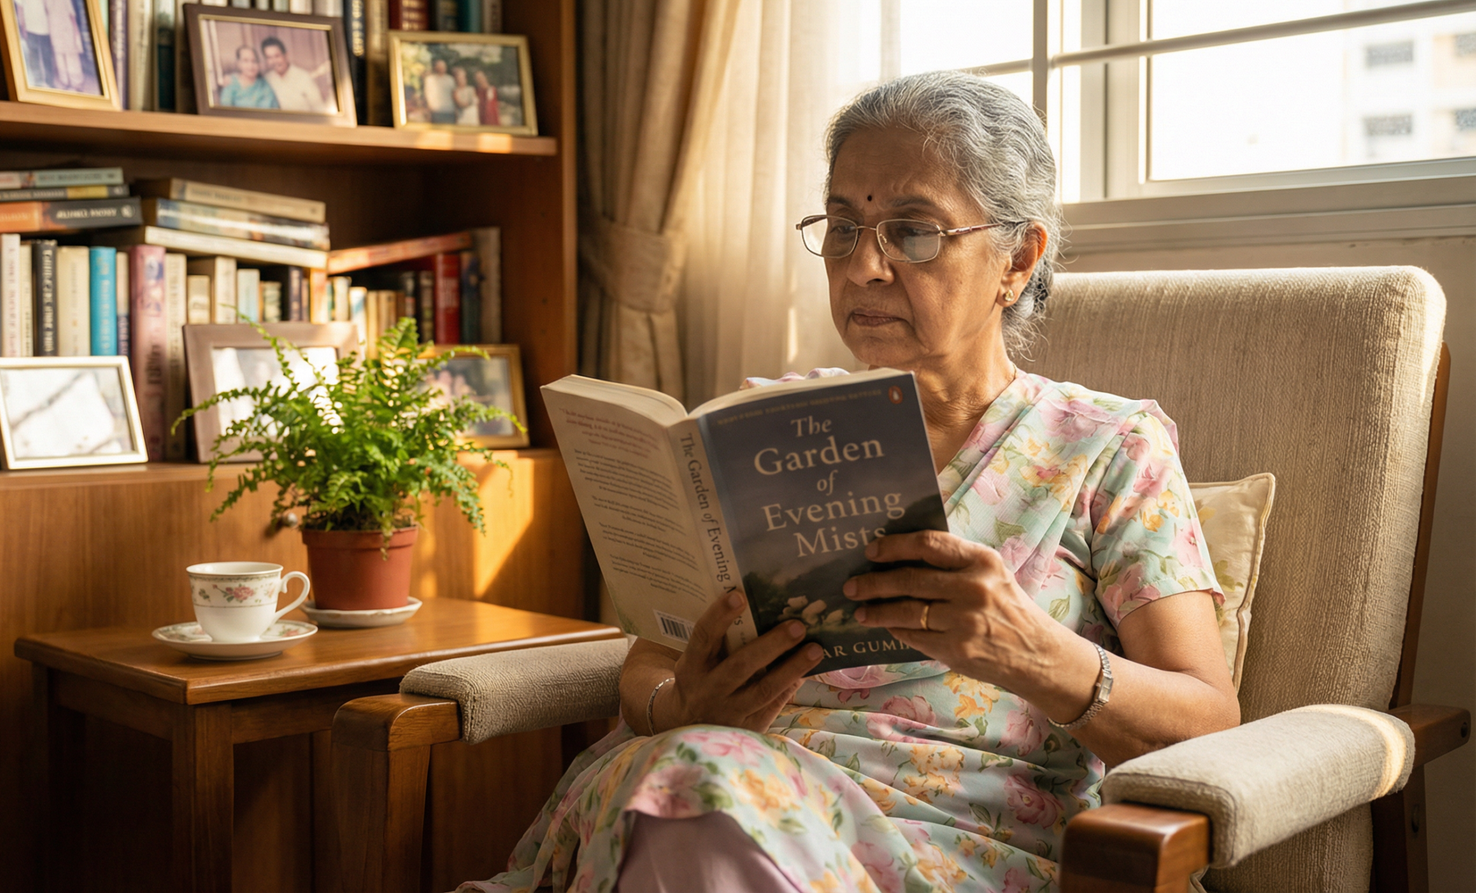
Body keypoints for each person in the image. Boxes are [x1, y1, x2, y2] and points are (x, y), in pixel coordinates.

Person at [462, 70, 1240, 892]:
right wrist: (680, 706)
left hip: (954, 850)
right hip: (695, 792)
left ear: (1018, 257)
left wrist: (1034, 652)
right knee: (696, 771)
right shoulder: (762, 431)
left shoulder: (1108, 447)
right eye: (841, 226)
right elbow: (648, 664)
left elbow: (1210, 722)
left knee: (697, 780)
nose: (863, 266)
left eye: (912, 232)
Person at [260, 36, 329, 112]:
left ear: (286, 55)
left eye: (277, 56)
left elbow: (319, 108)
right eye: (269, 57)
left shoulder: (303, 77)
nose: (274, 61)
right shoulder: (267, 79)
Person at [217, 45, 278, 110]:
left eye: (254, 61)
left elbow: (275, 109)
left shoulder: (264, 84)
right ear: (239, 64)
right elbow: (225, 112)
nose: (250, 65)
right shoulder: (230, 83)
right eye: (245, 61)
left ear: (259, 64)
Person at [13, 0, 54, 89]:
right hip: (30, 28)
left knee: (47, 57)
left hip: (45, 28)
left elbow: (49, 8)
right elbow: (20, 10)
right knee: (34, 57)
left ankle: (50, 82)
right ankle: (38, 82)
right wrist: (23, 27)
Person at [423, 57, 457, 124]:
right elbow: (427, 95)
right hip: (435, 111)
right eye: (440, 66)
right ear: (435, 67)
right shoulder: (430, 79)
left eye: (444, 66)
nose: (442, 68)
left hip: (449, 111)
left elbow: (454, 95)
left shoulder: (450, 79)